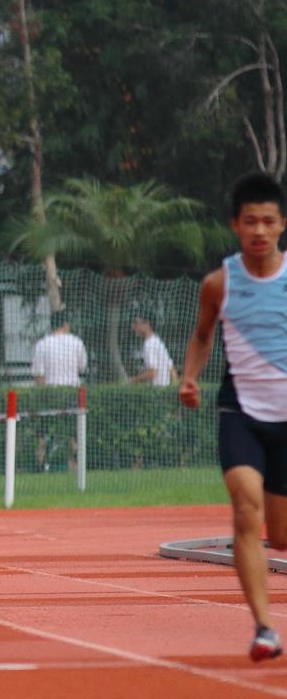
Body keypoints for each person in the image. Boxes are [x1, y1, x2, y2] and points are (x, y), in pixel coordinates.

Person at [179, 171, 287, 662]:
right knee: (246, 508)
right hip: (240, 410)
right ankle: (264, 628)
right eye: (250, 222)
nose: (259, 231)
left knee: (280, 535)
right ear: (235, 225)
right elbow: (203, 335)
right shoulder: (218, 283)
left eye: (267, 221)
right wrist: (189, 377)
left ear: (282, 224)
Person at [29, 316, 86, 387]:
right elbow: (82, 367)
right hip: (73, 388)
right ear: (66, 325)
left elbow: (38, 374)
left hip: (51, 389)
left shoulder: (42, 344)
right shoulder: (77, 342)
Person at [133, 316, 174, 387]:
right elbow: (172, 370)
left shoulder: (149, 344)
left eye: (136, 323)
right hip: (165, 389)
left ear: (147, 324)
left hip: (156, 389)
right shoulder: (158, 341)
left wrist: (132, 380)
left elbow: (152, 372)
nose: (134, 327)